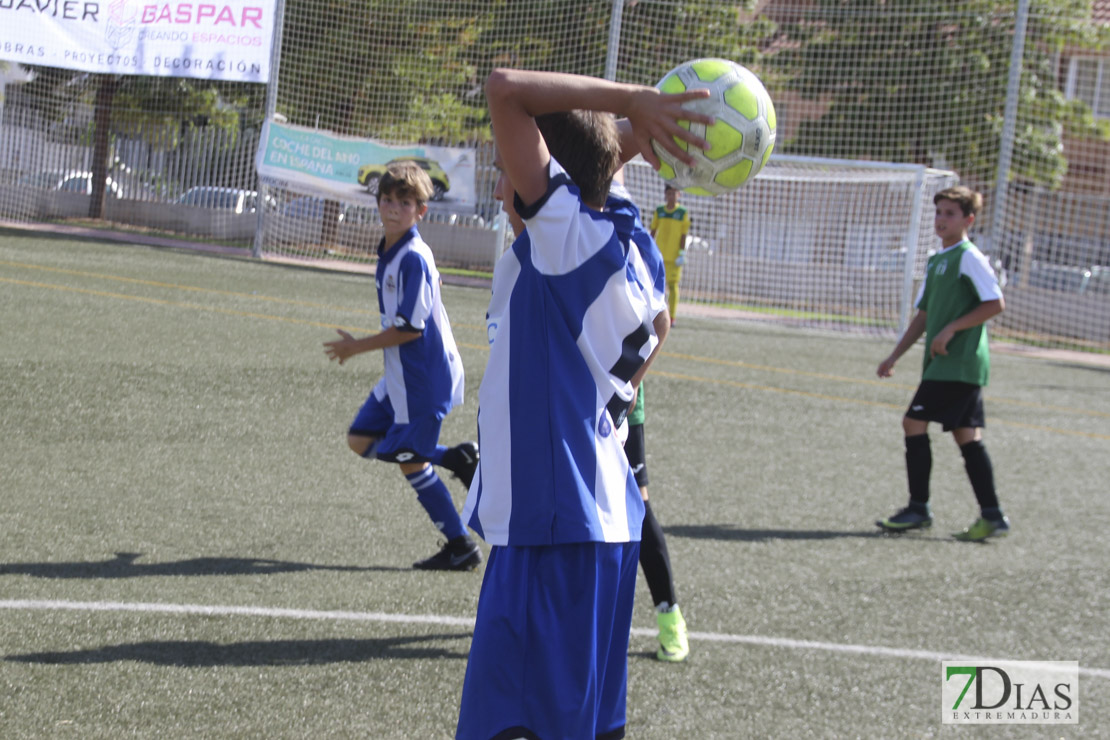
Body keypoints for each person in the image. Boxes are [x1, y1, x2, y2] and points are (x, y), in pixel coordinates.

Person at [455, 68, 710, 740]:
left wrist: (633, 103)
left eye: (510, 162)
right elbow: (600, 160)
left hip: (554, 528)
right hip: (601, 521)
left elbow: (505, 87)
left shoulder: (564, 240)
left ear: (540, 179)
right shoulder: (628, 238)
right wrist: (633, 131)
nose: (502, 179)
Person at [323, 161, 481, 571]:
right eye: (388, 199)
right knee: (360, 439)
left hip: (424, 378)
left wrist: (356, 347)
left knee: (411, 460)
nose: (394, 208)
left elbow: (410, 330)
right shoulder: (392, 249)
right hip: (402, 374)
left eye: (405, 202)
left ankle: (460, 545)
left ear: (421, 211)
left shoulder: (412, 257)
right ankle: (455, 458)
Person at [875, 185, 1009, 542]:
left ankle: (918, 508)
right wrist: (894, 356)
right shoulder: (938, 261)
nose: (941, 220)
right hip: (945, 364)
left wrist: (951, 328)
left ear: (968, 220)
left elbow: (995, 303)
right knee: (968, 438)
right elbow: (923, 316)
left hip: (960, 363)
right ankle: (992, 515)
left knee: (913, 422)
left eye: (950, 214)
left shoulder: (968, 256)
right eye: (938, 213)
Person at [625, 382, 690, 662]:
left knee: (637, 506)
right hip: (563, 400)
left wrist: (633, 381)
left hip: (615, 406)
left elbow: (659, 334)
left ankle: (669, 618)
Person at [650, 184, 691, 327]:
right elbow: (653, 231)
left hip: (674, 257)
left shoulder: (682, 212)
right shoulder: (659, 211)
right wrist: (649, 248)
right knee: (655, 286)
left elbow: (683, 234)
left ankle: (672, 317)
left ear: (679, 195)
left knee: (673, 287)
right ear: (665, 195)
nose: (672, 196)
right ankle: (653, 314)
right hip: (659, 255)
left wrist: (681, 252)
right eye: (669, 193)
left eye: (674, 193)